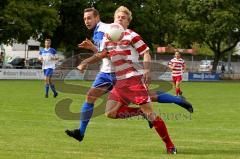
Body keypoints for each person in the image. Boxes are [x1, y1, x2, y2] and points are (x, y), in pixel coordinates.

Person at [65, 7, 193, 146]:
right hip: (110, 72)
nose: (86, 21)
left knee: (148, 98)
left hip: (124, 73)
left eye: (89, 18)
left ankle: (174, 106)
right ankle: (81, 132)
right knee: (98, 102)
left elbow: (141, 51)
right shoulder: (105, 35)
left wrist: (146, 70)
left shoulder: (110, 29)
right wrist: (87, 58)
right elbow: (104, 53)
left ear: (97, 17)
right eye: (84, 19)